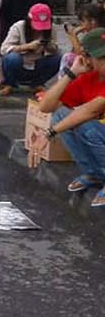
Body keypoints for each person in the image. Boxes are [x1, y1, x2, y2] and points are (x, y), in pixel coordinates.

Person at [31, 28, 105, 205]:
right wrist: (71, 73)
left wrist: (49, 133)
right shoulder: (90, 77)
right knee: (61, 114)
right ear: (87, 58)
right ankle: (94, 174)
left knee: (85, 125)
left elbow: (90, 110)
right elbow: (46, 106)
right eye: (101, 58)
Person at [0, 3, 60, 95]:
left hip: (37, 63)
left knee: (59, 57)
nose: (39, 30)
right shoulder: (18, 27)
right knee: (12, 58)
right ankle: (9, 84)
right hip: (19, 63)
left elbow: (55, 49)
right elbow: (4, 49)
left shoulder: (51, 28)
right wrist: (26, 47)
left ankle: (37, 83)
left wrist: (50, 46)